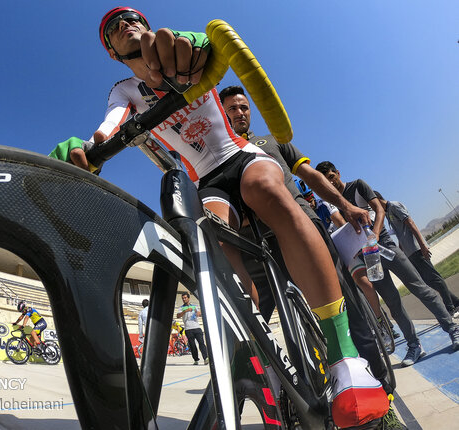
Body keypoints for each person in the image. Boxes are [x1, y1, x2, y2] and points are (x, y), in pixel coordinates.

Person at [50, 8, 389, 427]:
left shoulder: (177, 42)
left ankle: (345, 359)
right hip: (206, 177)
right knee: (210, 234)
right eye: (112, 28)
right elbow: (110, 125)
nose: (124, 23)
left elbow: (205, 44)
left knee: (266, 188)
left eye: (131, 17)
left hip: (238, 156)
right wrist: (89, 147)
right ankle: (258, 350)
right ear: (112, 52)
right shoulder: (124, 88)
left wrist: (198, 48)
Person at [219, 84, 394, 396]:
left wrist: (347, 205)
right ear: (221, 114)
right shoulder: (221, 156)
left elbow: (311, 176)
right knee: (249, 324)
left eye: (243, 107)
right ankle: (287, 394)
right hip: (259, 247)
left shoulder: (272, 141)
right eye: (232, 108)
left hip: (304, 226)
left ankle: (379, 386)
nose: (239, 112)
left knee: (347, 305)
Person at [316, 161, 459, 366]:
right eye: (326, 181)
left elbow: (379, 209)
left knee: (420, 288)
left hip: (386, 246)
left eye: (331, 176)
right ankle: (414, 345)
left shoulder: (357, 185)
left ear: (338, 173)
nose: (330, 182)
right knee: (393, 303)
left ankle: (452, 328)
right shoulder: (336, 206)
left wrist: (374, 235)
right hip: (370, 258)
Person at [375, 191, 459, 317]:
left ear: (377, 199)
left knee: (434, 277)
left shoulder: (394, 206)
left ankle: (450, 307)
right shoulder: (387, 213)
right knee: (428, 281)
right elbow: (400, 232)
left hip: (416, 248)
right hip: (409, 253)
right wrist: (401, 249)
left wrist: (423, 246)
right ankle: (456, 302)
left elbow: (411, 223)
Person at [176, 293, 207, 365]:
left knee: (201, 343)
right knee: (192, 345)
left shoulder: (194, 306)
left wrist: (199, 313)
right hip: (188, 329)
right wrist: (185, 311)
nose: (184, 299)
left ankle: (206, 358)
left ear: (188, 298)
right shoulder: (181, 308)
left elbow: (200, 313)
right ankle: (196, 359)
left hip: (197, 327)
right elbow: (178, 316)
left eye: (185, 298)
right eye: (183, 298)